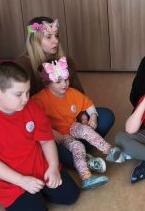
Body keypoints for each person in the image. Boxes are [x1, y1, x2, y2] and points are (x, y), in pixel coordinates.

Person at [0, 62, 80, 211]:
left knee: (70, 196)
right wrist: (22, 181)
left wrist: (53, 167)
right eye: (18, 94)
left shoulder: (31, 106)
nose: (25, 99)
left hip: (39, 167)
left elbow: (46, 140)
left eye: (27, 92)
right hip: (11, 182)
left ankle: (46, 183)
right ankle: (37, 194)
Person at [15, 17, 116, 166]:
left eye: (56, 36)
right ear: (35, 41)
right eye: (48, 37)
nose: (55, 41)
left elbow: (78, 94)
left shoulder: (66, 61)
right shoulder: (22, 66)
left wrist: (84, 117)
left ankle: (79, 152)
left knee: (106, 116)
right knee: (55, 151)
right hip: (46, 130)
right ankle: (79, 153)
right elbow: (20, 111)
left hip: (70, 122)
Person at [31, 58, 124, 190]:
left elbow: (88, 104)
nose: (64, 84)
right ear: (47, 83)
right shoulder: (39, 100)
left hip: (72, 126)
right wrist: (54, 134)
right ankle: (86, 177)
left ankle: (109, 150)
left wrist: (93, 116)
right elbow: (35, 121)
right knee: (77, 146)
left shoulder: (72, 93)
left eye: (66, 80)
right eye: (58, 81)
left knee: (85, 129)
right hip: (59, 136)